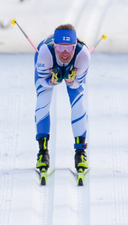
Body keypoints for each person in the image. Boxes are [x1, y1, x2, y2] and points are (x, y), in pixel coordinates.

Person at [34, 24, 91, 177]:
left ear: (75, 46)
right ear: (54, 45)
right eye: (60, 48)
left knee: (78, 103)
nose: (64, 53)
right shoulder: (45, 52)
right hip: (48, 65)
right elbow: (42, 81)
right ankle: (42, 152)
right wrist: (52, 82)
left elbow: (79, 84)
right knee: (42, 102)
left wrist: (71, 82)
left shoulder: (83, 55)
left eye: (69, 48)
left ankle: (80, 152)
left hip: (73, 69)